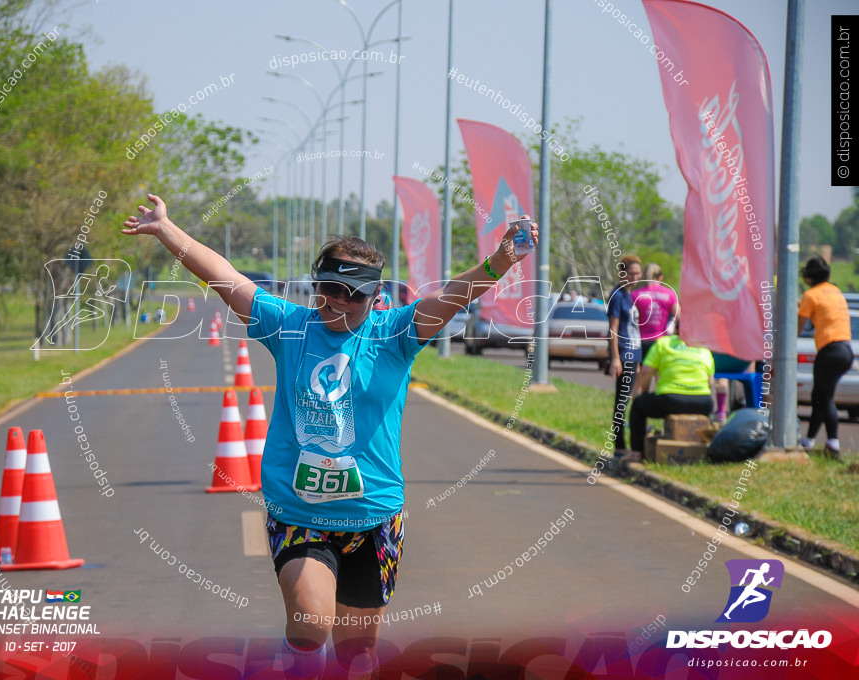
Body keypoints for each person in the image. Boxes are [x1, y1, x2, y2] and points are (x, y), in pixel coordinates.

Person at [122, 193, 537, 675]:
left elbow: (454, 295)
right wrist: (165, 228)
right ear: (315, 285)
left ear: (375, 298)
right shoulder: (289, 327)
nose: (338, 301)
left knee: (356, 655)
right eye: (328, 289)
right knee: (310, 623)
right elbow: (225, 277)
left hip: (374, 515)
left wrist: (502, 260)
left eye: (353, 294)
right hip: (300, 512)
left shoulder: (395, 333)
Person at [628, 326, 715, 457]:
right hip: (703, 403)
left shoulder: (663, 343)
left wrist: (640, 392)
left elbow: (646, 373)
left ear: (675, 330)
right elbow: (710, 383)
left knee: (638, 406)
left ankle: (637, 452)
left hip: (671, 400)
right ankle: (704, 450)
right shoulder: (704, 349)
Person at [798, 256, 853, 459]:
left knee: (824, 398)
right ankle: (809, 441)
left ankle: (833, 445)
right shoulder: (835, 291)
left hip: (829, 350)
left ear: (810, 277)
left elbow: (798, 326)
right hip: (845, 349)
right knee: (819, 396)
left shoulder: (810, 295)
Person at [606, 255, 643, 454]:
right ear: (622, 274)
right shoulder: (618, 296)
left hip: (634, 354)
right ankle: (619, 446)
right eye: (631, 273)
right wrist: (615, 358)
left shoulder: (630, 295)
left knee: (631, 400)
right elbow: (613, 328)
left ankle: (632, 444)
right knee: (622, 401)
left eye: (638, 273)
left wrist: (637, 360)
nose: (635, 277)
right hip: (624, 354)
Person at [632, 263, 679, 359]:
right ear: (660, 277)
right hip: (661, 341)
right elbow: (678, 316)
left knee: (641, 372)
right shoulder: (669, 294)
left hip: (640, 341)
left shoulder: (635, 294)